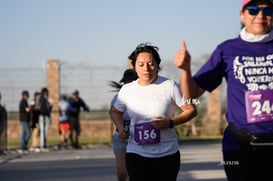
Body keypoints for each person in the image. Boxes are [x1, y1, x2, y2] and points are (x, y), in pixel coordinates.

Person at [174, 0, 273, 180]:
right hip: (239, 145)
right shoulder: (227, 50)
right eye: (253, 10)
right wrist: (185, 70)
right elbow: (192, 95)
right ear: (242, 15)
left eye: (268, 10)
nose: (260, 15)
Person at [110, 43, 197, 181]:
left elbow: (191, 110)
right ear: (135, 67)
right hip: (136, 153)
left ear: (157, 65)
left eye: (151, 63)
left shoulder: (169, 86)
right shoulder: (127, 90)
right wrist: (121, 128)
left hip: (167, 154)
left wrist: (170, 123)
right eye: (141, 64)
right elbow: (115, 112)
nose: (146, 68)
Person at [109, 69, 138, 181]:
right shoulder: (117, 98)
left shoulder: (144, 97)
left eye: (131, 81)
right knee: (122, 171)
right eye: (126, 81)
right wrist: (121, 129)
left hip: (138, 138)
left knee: (135, 171)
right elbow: (113, 114)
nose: (129, 84)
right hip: (121, 137)